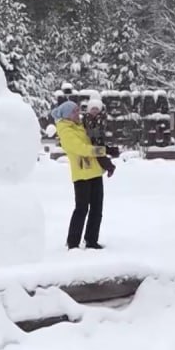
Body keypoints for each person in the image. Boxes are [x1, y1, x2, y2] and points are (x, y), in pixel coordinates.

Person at [53, 100, 112, 250]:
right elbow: (80, 148)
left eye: (78, 110)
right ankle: (73, 242)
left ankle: (91, 240)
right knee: (81, 209)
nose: (78, 113)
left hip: (94, 171)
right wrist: (102, 151)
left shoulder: (81, 126)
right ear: (67, 115)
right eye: (74, 111)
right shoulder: (65, 130)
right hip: (81, 174)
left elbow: (95, 137)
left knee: (97, 209)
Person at [82, 99, 116, 176]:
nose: (94, 111)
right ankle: (87, 172)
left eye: (96, 109)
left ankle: (110, 167)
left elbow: (101, 129)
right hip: (88, 140)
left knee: (100, 156)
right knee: (86, 156)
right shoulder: (86, 118)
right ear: (89, 110)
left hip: (98, 140)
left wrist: (94, 134)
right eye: (92, 109)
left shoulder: (101, 118)